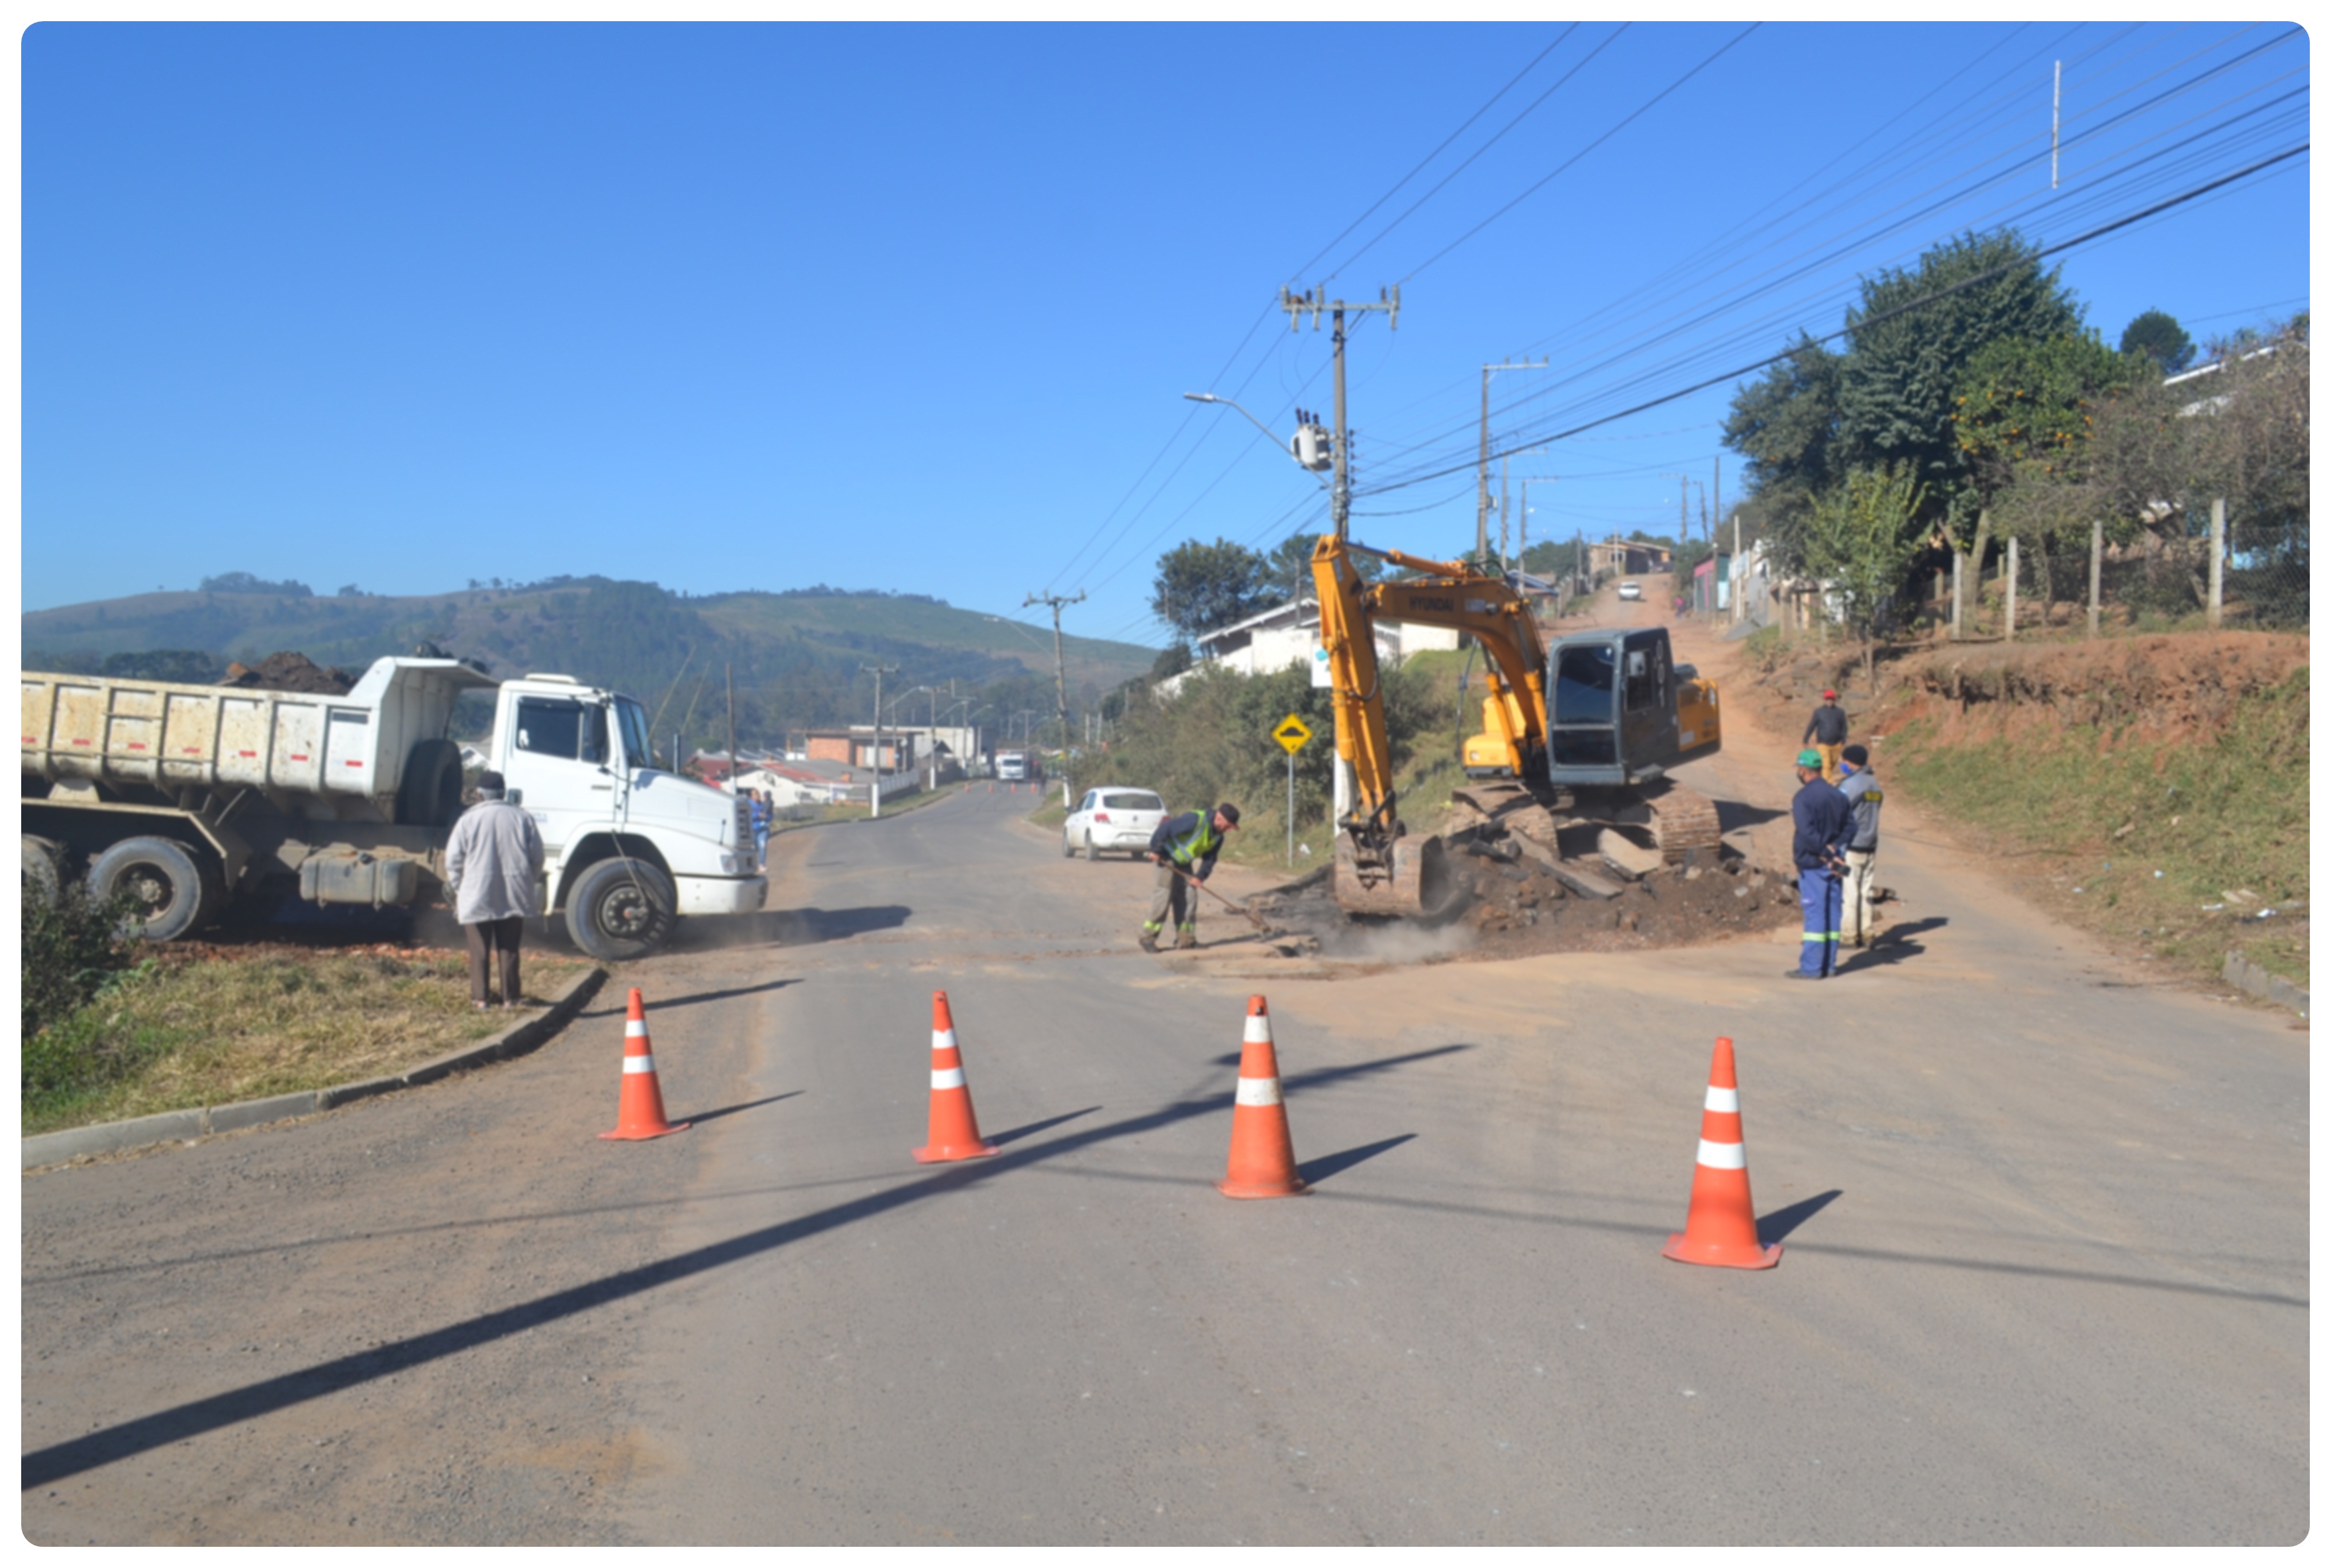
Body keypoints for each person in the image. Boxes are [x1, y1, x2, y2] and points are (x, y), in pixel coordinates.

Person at [444, 769, 546, 1009]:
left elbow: (453, 860)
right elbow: (538, 857)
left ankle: (481, 1000)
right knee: (509, 948)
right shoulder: (522, 818)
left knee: (479, 949)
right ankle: (511, 999)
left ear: (479, 794)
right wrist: (526, 881)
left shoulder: (468, 819)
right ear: (504, 792)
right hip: (513, 893)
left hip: (477, 893)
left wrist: (461, 887)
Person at [1787, 748, 1853, 980]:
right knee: (1833, 913)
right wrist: (1836, 850)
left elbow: (1807, 833)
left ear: (1803, 770)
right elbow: (1851, 827)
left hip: (1813, 863)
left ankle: (1812, 968)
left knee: (1815, 914)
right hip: (1834, 866)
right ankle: (1830, 966)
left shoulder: (1803, 798)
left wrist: (1825, 852)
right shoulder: (1838, 795)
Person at [1139, 802, 1240, 952]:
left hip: (1184, 863)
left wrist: (1200, 877)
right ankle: (1147, 938)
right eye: (1228, 826)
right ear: (1219, 818)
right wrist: (1156, 850)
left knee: (1189, 897)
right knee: (1164, 895)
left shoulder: (1218, 838)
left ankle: (1185, 940)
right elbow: (1165, 829)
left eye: (1231, 827)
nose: (1229, 830)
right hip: (1167, 858)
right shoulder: (1195, 820)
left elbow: (1210, 859)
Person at [1836, 744, 1883, 947]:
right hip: (1870, 844)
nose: (1841, 764)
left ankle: (1848, 935)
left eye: (1843, 761)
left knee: (1850, 892)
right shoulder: (1875, 784)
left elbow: (1838, 809)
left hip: (1853, 845)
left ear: (1850, 761)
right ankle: (1867, 934)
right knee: (1865, 892)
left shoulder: (1852, 784)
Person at [1803, 689, 1849, 783]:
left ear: (1835, 700)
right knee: (1826, 765)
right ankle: (1828, 784)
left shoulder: (1840, 712)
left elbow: (1844, 727)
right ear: (1824, 699)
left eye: (1831, 699)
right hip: (1823, 744)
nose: (1830, 701)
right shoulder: (1819, 712)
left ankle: (1822, 779)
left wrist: (1843, 740)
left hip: (1836, 744)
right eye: (1828, 699)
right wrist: (1806, 739)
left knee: (1831, 764)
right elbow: (1812, 726)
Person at [749, 789, 771, 869]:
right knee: (755, 848)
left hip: (763, 829)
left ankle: (761, 864)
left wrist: (766, 817)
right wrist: (757, 816)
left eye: (758, 794)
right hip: (753, 830)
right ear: (751, 796)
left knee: (763, 846)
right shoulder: (749, 805)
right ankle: (752, 865)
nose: (757, 795)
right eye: (754, 794)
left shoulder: (763, 805)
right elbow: (747, 816)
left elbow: (770, 816)